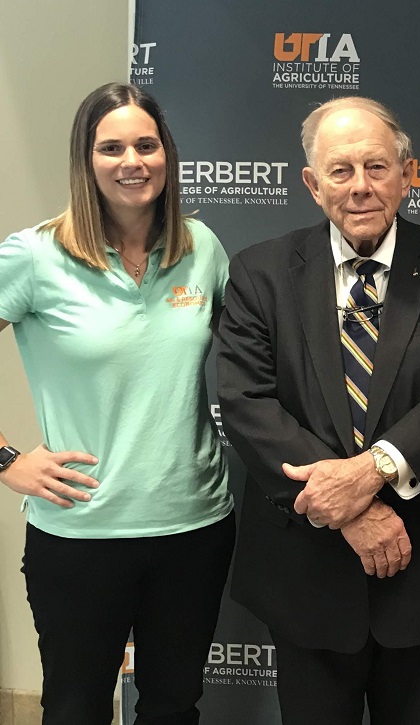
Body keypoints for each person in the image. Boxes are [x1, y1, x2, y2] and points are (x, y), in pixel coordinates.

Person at [215, 96, 420, 725]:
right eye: (341, 171)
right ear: (312, 185)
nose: (361, 188)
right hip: (305, 570)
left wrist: (372, 472)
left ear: (408, 173)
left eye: (377, 167)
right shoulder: (259, 272)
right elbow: (244, 399)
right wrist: (345, 507)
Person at [0, 83, 234, 725]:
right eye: (111, 147)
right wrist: (4, 460)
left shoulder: (201, 248)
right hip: (81, 534)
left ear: (167, 154)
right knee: (75, 708)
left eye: (146, 144)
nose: (132, 160)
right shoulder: (36, 255)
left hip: (194, 529)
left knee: (172, 706)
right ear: (86, 160)